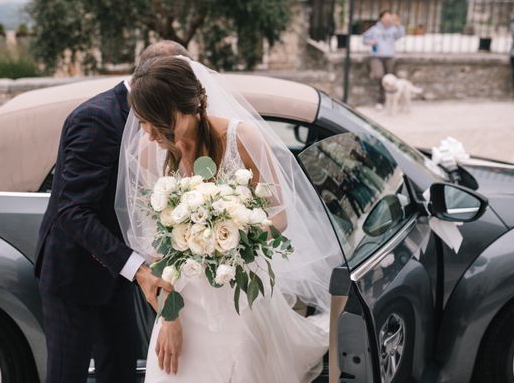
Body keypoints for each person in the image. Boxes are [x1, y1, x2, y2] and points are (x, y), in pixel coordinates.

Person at [116, 56, 343, 382]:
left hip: (239, 295)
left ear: (186, 108)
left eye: (155, 122)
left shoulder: (242, 138)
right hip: (182, 298)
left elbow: (278, 215)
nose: (149, 133)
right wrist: (169, 319)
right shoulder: (154, 152)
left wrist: (234, 232)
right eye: (141, 122)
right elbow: (158, 249)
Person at [34, 41, 191, 383]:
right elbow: (73, 212)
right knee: (67, 374)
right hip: (75, 275)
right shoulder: (97, 119)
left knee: (120, 367)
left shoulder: (166, 119)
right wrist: (138, 270)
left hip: (118, 272)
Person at [363, 10, 405, 109]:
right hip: (376, 56)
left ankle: (388, 100)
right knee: (379, 76)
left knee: (390, 78)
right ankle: (381, 100)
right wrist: (370, 41)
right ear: (381, 18)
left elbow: (400, 35)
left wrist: (398, 25)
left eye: (389, 17)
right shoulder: (374, 29)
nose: (388, 19)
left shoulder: (394, 29)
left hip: (389, 56)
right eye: (386, 17)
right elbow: (364, 39)